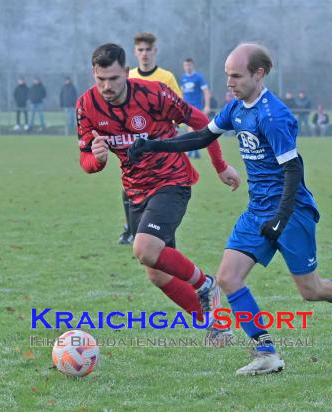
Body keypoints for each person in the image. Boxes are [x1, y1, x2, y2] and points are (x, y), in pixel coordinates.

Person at [129, 42, 332, 375]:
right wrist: (154, 145)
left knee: (311, 290)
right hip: (257, 210)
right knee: (227, 278)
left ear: (259, 74)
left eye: (236, 76)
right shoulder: (236, 108)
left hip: (291, 211)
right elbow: (201, 137)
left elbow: (293, 170)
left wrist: (281, 218)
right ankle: (265, 352)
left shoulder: (274, 115)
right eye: (226, 75)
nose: (229, 83)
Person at [77, 43, 240, 341]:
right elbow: (86, 161)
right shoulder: (86, 106)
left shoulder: (153, 94)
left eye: (113, 78)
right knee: (157, 272)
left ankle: (206, 286)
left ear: (126, 73)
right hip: (135, 190)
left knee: (144, 248)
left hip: (171, 180)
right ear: (93, 74)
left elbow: (202, 123)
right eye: (101, 79)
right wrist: (97, 160)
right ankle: (216, 324)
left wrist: (220, 166)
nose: (107, 86)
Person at [115, 32, 184, 245]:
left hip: (161, 147)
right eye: (140, 50)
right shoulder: (130, 76)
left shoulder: (166, 77)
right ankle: (131, 228)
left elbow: (180, 109)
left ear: (155, 51)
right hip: (135, 146)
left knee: (162, 189)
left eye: (148, 49)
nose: (144, 54)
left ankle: (162, 234)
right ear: (135, 53)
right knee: (129, 187)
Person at [180, 58, 212, 159]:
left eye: (189, 65)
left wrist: (207, 106)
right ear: (183, 67)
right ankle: (195, 151)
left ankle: (191, 151)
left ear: (192, 66)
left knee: (192, 129)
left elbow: (206, 92)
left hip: (196, 108)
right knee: (193, 130)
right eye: (185, 65)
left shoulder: (198, 77)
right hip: (186, 108)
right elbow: (182, 94)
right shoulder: (183, 78)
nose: (187, 67)